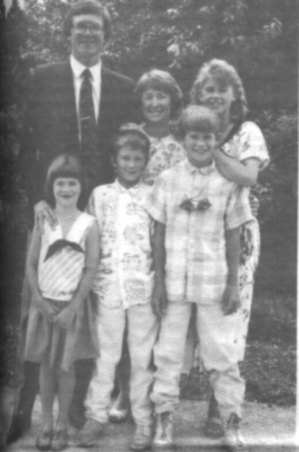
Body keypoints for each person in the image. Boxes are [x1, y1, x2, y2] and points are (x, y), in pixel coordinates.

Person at [8, 0, 137, 442]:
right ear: (68, 34)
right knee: (39, 303)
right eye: (80, 27)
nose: (87, 34)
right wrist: (35, 200)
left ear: (106, 36)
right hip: (53, 206)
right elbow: (26, 145)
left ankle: (79, 407)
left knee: (90, 308)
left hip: (99, 211)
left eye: (95, 28)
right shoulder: (43, 79)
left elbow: (130, 152)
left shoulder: (122, 86)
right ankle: (26, 410)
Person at [147, 105, 253, 451]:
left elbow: (235, 234)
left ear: (217, 139)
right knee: (168, 353)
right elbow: (158, 235)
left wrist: (233, 283)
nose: (201, 142)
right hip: (175, 282)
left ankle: (232, 421)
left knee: (222, 354)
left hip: (214, 280)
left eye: (208, 136)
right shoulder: (167, 179)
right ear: (183, 138)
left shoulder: (228, 183)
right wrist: (159, 283)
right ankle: (164, 419)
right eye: (194, 136)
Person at [189, 58, 269, 441]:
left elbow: (248, 175)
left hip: (236, 232)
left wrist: (210, 150)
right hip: (195, 233)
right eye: (209, 88)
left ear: (235, 94)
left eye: (223, 88)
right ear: (199, 95)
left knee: (229, 317)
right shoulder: (193, 130)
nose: (216, 95)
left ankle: (219, 409)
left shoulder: (247, 132)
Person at [109, 68, 185, 424]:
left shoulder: (181, 146)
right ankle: (125, 393)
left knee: (157, 323)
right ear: (140, 101)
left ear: (173, 101)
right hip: (129, 243)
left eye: (161, 96)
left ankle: (156, 397)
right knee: (127, 322)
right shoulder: (128, 137)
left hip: (167, 242)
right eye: (148, 96)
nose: (155, 103)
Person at [77, 127, 158, 451]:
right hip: (109, 285)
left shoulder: (153, 195)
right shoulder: (100, 195)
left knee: (141, 357)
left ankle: (143, 421)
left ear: (145, 162)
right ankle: (95, 415)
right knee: (106, 355)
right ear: (114, 160)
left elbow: (158, 241)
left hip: (142, 286)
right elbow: (90, 239)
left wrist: (157, 283)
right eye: (125, 158)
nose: (131, 164)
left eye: (138, 158)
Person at [23, 154, 99, 451]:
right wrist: (39, 302)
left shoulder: (88, 224)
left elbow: (91, 268)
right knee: (45, 367)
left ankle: (63, 423)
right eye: (60, 183)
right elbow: (31, 265)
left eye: (72, 183)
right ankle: (47, 424)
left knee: (66, 369)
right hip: (45, 305)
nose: (66, 189)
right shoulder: (44, 220)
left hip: (71, 309)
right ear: (50, 187)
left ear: (81, 187)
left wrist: (72, 307)